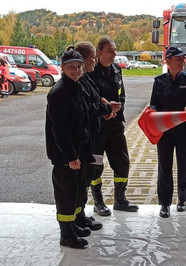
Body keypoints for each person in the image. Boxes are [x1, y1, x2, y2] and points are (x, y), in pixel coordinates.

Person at [67, 42, 121, 229]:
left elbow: (94, 99)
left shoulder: (86, 78)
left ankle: (80, 216)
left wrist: (105, 106)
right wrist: (106, 108)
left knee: (84, 180)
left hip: (90, 135)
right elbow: (86, 109)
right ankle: (73, 223)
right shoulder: (77, 82)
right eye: (93, 58)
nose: (96, 61)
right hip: (84, 139)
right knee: (80, 182)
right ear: (84, 59)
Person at [89, 36, 138, 216]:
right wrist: (105, 111)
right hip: (97, 127)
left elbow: (121, 95)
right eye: (110, 51)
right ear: (99, 52)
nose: (114, 54)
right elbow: (91, 99)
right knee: (96, 165)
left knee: (122, 162)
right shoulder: (91, 72)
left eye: (115, 50)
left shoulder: (117, 70)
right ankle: (98, 201)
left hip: (115, 125)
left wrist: (116, 111)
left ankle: (120, 199)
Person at [46, 50, 90, 248]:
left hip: (77, 150)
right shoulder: (59, 92)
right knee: (66, 194)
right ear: (62, 68)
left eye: (79, 67)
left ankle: (72, 226)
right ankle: (66, 235)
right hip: (65, 155)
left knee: (76, 191)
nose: (76, 70)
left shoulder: (76, 86)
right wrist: (70, 156)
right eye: (71, 67)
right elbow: (59, 129)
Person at [150, 47, 186, 218]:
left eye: (183, 59)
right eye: (178, 59)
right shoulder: (159, 81)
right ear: (168, 61)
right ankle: (164, 204)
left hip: (185, 129)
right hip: (164, 129)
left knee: (184, 164)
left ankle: (182, 200)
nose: (182, 61)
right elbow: (153, 105)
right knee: (164, 166)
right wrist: (153, 113)